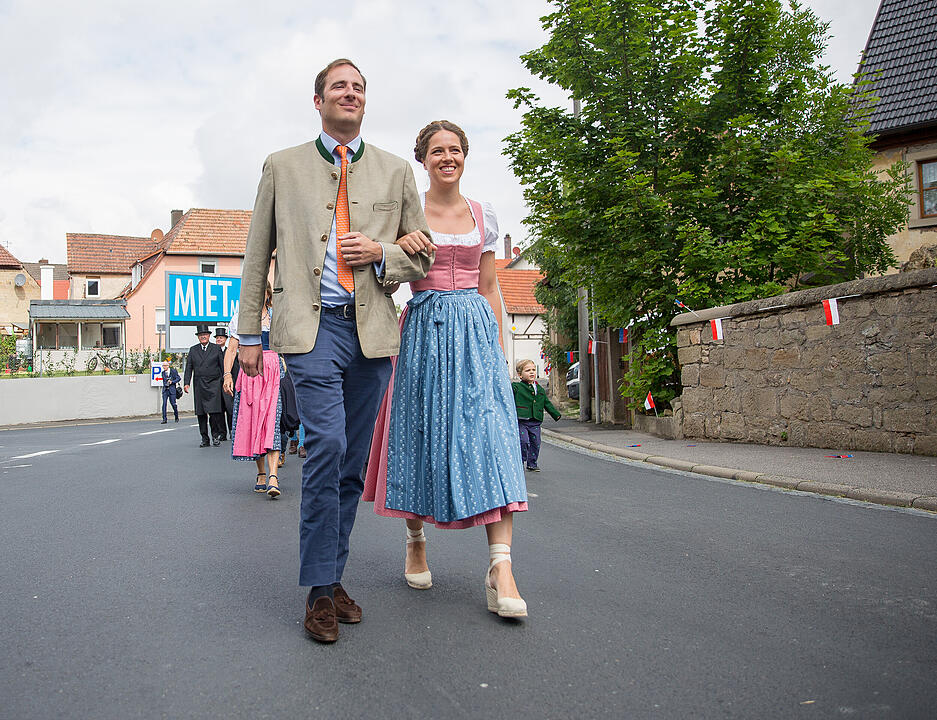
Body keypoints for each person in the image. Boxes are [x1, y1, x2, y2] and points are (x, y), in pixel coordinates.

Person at [237, 58, 433, 644]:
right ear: (318, 100)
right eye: (339, 87)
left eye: (359, 88)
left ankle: (332, 577)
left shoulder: (398, 172)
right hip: (310, 331)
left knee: (351, 464)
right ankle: (319, 593)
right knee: (326, 444)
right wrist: (249, 334)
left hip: (371, 333)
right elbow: (256, 253)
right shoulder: (283, 165)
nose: (350, 94)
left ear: (365, 103)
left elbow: (418, 257)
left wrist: (380, 253)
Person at [363, 120, 529, 619]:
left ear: (465, 156)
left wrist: (501, 349)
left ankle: (501, 568)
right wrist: (383, 262)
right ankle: (415, 540)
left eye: (455, 149)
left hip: (477, 337)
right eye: (437, 151)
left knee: (494, 442)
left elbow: (490, 286)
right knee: (420, 438)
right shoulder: (405, 212)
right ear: (423, 158)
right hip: (424, 333)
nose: (447, 157)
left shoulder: (484, 213)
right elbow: (385, 282)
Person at [223, 284, 283, 498]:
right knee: (254, 421)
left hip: (274, 373)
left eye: (262, 293)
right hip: (249, 373)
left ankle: (273, 476)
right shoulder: (241, 317)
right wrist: (227, 374)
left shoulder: (277, 315)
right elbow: (231, 349)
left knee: (272, 422)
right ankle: (261, 472)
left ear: (267, 294)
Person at [511, 359, 561, 472]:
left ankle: (532, 463)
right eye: (528, 370)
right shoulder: (517, 387)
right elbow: (508, 393)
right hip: (522, 421)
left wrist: (555, 415)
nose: (532, 372)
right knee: (523, 441)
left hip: (535, 421)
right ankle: (520, 461)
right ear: (520, 374)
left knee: (536, 442)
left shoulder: (539, 389)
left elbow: (546, 403)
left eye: (533, 370)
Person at [184, 325, 226, 447]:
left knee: (214, 412)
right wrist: (187, 383)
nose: (203, 336)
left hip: (214, 384)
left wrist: (225, 380)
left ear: (208, 336)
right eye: (200, 335)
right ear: (198, 337)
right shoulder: (193, 350)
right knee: (201, 413)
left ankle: (215, 436)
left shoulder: (216, 349)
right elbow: (189, 368)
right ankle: (204, 438)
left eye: (205, 335)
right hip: (199, 385)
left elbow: (222, 366)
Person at [214, 327, 237, 441]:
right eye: (217, 338)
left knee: (230, 409)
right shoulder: (212, 352)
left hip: (228, 384)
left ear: (225, 339)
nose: (219, 339)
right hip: (216, 385)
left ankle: (232, 430)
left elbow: (235, 368)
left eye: (221, 337)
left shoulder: (230, 351)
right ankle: (221, 432)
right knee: (219, 410)